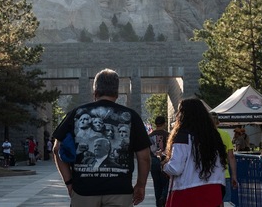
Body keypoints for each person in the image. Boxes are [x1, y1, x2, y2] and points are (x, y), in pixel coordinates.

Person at [52, 68, 151, 207]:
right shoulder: (132, 116)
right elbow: (144, 157)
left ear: (95, 92)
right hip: (119, 191)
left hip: (84, 192)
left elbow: (57, 149)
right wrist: (141, 185)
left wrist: (69, 183)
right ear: (116, 93)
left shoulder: (76, 113)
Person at [162, 98, 227, 207]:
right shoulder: (213, 136)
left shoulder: (183, 137)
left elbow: (176, 168)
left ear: (183, 115)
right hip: (214, 189)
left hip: (188, 192)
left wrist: (164, 165)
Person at [211, 112, 238, 206]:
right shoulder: (225, 134)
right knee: (225, 202)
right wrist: (234, 176)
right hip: (224, 173)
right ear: (218, 122)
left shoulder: (202, 136)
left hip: (208, 175)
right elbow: (231, 157)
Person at [149, 116, 169, 207]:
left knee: (157, 185)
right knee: (166, 184)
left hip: (153, 161)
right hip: (165, 161)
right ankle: (164, 198)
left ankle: (158, 203)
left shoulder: (150, 136)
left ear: (155, 124)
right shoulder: (168, 135)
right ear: (164, 124)